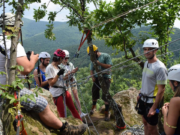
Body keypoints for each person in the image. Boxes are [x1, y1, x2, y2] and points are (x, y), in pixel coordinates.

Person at [0, 13, 87, 135]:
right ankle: (64, 129)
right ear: (16, 27)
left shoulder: (1, 41)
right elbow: (26, 69)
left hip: (3, 88)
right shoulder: (12, 42)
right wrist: (33, 60)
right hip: (10, 91)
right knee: (42, 104)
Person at [136, 39, 167, 135]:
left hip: (152, 101)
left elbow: (161, 90)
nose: (146, 51)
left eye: (149, 49)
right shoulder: (146, 63)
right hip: (143, 99)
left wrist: (154, 107)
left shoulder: (160, 68)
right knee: (145, 122)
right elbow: (146, 81)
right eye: (145, 49)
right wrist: (140, 93)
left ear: (155, 50)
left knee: (152, 128)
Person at [46, 49, 82, 121]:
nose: (62, 61)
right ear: (59, 58)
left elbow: (63, 78)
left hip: (63, 89)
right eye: (62, 59)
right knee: (61, 112)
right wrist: (58, 74)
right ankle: (63, 128)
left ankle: (81, 122)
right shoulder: (49, 68)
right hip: (56, 92)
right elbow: (51, 83)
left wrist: (71, 72)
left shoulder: (58, 67)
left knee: (73, 108)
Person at [87, 44, 113, 121]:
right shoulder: (93, 59)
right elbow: (91, 69)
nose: (91, 56)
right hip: (97, 77)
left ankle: (107, 111)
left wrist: (99, 63)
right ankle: (94, 106)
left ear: (96, 51)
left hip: (106, 77)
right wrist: (92, 77)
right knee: (94, 91)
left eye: (92, 54)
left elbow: (109, 66)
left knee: (105, 94)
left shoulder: (106, 56)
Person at [59, 50, 87, 118]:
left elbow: (73, 72)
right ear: (62, 58)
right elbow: (62, 76)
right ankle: (73, 115)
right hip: (66, 84)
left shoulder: (70, 64)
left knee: (76, 97)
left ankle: (80, 112)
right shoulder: (59, 66)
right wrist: (71, 73)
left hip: (72, 81)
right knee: (70, 99)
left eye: (67, 58)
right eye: (65, 58)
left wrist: (73, 72)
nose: (66, 60)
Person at [162, 64, 180, 135]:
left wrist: (165, 113)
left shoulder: (176, 101)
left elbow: (169, 132)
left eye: (170, 81)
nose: (169, 84)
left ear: (175, 83)